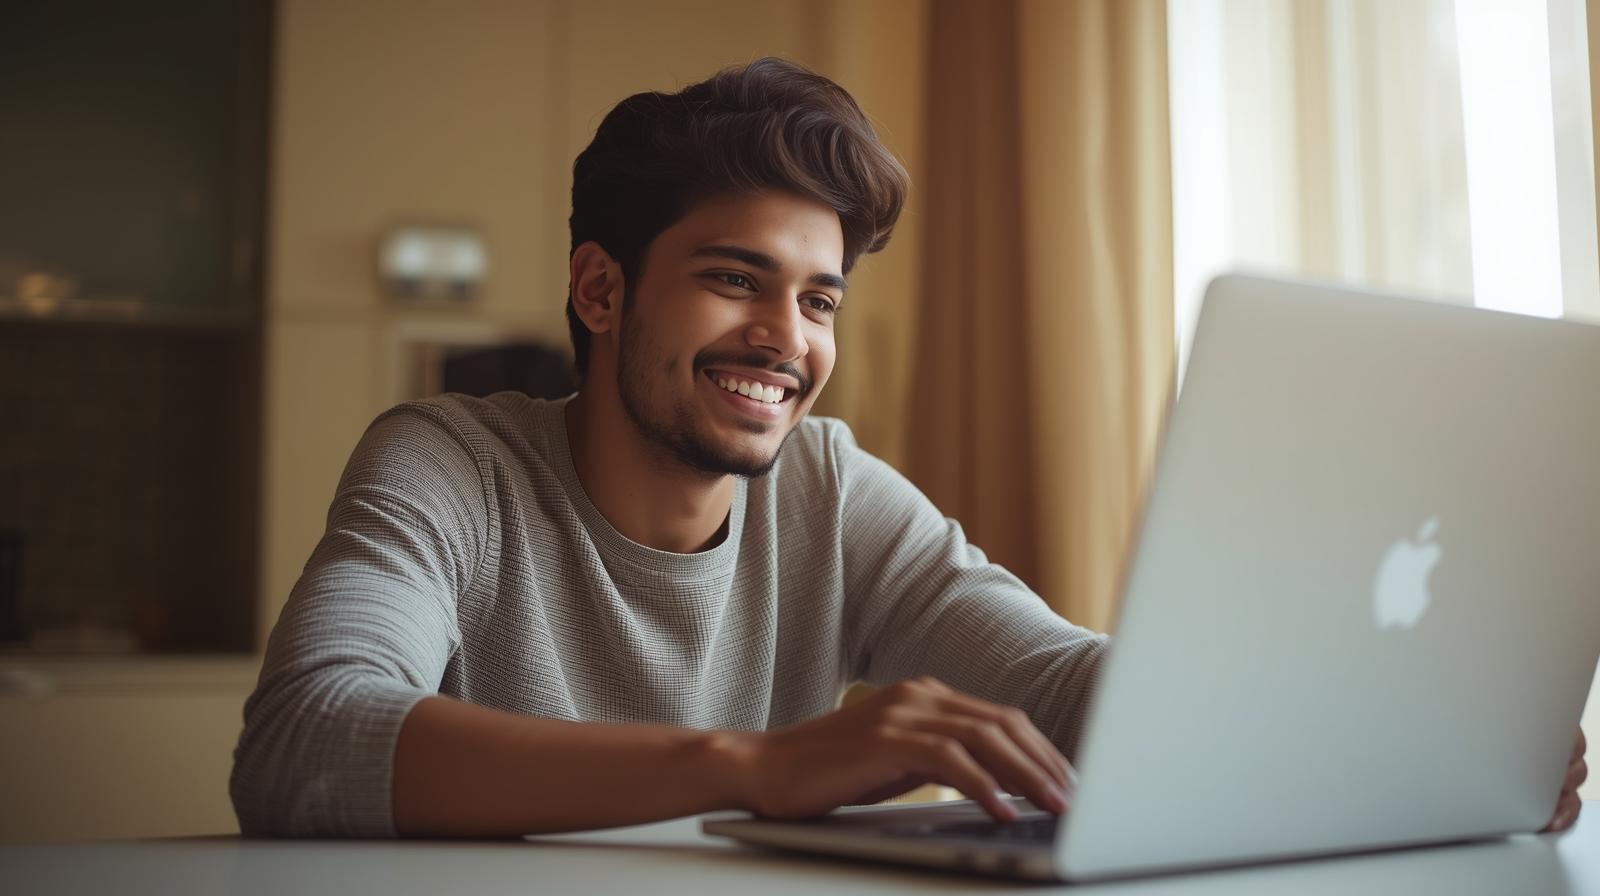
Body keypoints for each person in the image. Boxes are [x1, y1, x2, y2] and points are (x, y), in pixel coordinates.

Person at [229, 57, 1586, 839]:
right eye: (733, 279)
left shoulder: (829, 489)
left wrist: (1370, 736)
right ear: (600, 290)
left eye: (818, 298)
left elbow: (1056, 684)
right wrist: (753, 769)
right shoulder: (446, 463)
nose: (785, 337)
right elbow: (306, 741)